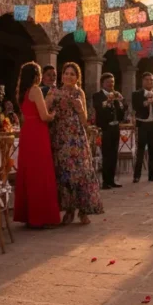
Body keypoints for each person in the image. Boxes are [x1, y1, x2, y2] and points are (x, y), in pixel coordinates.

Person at [48, 62, 104, 224]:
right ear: (62, 75)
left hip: (77, 137)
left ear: (77, 78)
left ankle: (83, 210)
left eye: (72, 74)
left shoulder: (80, 93)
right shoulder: (54, 92)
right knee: (65, 173)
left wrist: (79, 109)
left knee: (80, 173)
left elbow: (85, 120)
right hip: (60, 137)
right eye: (66, 73)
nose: (68, 76)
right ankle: (69, 210)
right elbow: (45, 112)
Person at [12, 62, 60, 229]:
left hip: (27, 132)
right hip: (38, 132)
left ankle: (28, 215)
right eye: (39, 73)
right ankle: (40, 217)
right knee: (41, 172)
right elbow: (44, 116)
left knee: (28, 172)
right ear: (35, 75)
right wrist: (54, 113)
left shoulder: (22, 92)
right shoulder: (35, 90)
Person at [92, 73, 126, 189]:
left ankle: (112, 180)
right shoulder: (98, 95)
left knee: (114, 155)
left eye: (112, 82)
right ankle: (105, 182)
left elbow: (121, 113)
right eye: (108, 82)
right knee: (106, 155)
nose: (111, 84)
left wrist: (121, 102)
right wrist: (108, 100)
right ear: (103, 83)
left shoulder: (116, 95)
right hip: (105, 128)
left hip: (115, 127)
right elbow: (99, 109)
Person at [131, 73, 153, 183]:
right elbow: (135, 106)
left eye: (152, 80)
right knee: (140, 151)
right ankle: (137, 176)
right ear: (143, 81)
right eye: (147, 80)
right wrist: (145, 103)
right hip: (142, 124)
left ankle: (152, 175)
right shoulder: (137, 94)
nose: (150, 82)